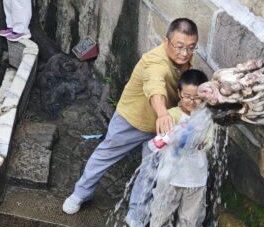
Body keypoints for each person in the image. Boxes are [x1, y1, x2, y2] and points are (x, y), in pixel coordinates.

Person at [62, 18, 199, 215]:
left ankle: (136, 214)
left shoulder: (185, 61)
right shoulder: (154, 61)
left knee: (151, 170)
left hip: (161, 128)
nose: (185, 53)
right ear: (166, 41)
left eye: (191, 48)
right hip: (132, 120)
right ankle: (80, 193)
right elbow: (155, 85)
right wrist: (161, 113)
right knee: (105, 154)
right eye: (179, 47)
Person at [144, 69, 212, 227]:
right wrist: (167, 136)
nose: (191, 102)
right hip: (169, 177)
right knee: (162, 211)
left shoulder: (207, 118)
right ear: (179, 93)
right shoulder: (171, 115)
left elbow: (209, 142)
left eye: (197, 98)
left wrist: (202, 141)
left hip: (196, 178)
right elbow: (159, 140)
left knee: (191, 218)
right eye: (187, 96)